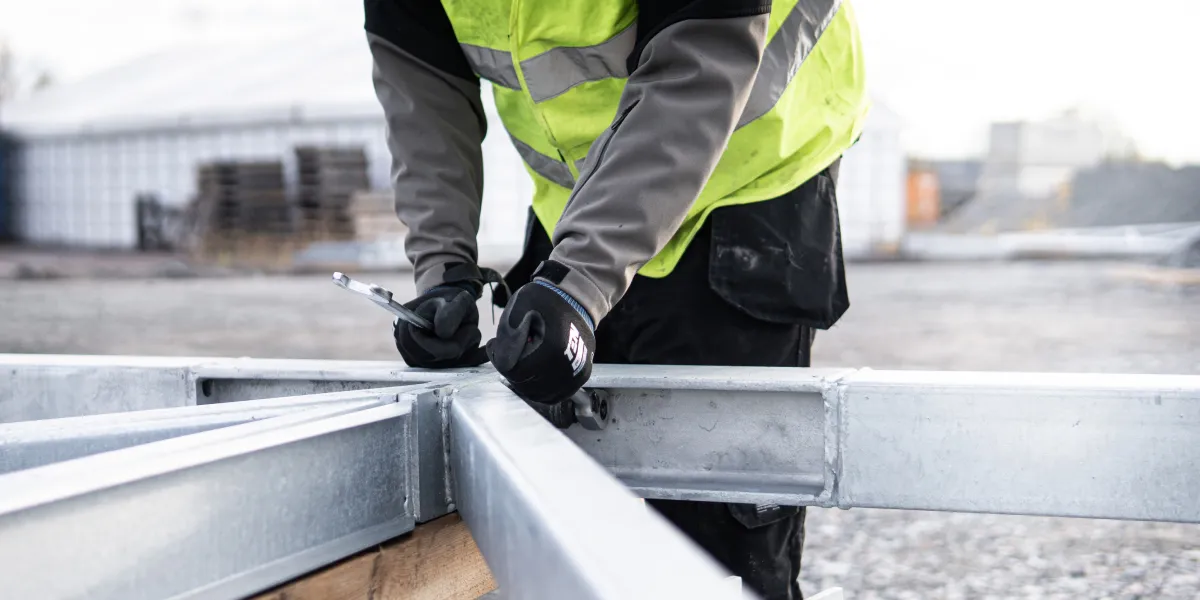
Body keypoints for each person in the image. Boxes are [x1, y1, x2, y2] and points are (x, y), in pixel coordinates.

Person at [365, 0, 868, 596]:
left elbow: (700, 61)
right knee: (568, 524)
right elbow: (424, 93)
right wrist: (443, 270)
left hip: (743, 171)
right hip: (581, 195)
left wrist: (579, 281)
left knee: (709, 550)